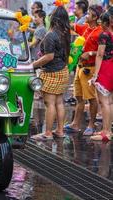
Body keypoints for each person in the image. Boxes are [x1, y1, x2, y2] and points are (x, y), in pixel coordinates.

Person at [31, 6, 70, 140]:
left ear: (53, 18)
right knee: (59, 102)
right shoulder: (65, 33)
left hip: (51, 72)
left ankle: (47, 133)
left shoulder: (51, 34)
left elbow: (49, 56)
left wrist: (33, 65)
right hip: (63, 70)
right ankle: (60, 130)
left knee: (49, 103)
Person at [64, 5, 104, 136]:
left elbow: (103, 51)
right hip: (79, 67)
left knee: (92, 99)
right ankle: (75, 124)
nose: (86, 16)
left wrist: (90, 53)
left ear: (95, 17)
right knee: (79, 97)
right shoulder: (86, 28)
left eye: (89, 14)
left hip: (90, 69)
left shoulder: (100, 32)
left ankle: (91, 125)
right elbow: (71, 26)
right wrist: (63, 10)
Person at [90, 8, 113, 141]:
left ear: (106, 23)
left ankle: (105, 132)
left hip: (105, 68)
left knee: (104, 102)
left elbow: (99, 55)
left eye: (101, 22)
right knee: (110, 102)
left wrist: (95, 75)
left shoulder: (104, 35)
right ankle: (108, 130)